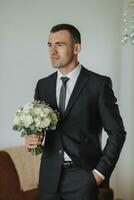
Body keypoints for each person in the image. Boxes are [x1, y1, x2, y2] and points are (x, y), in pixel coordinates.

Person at [25, 24, 126, 200]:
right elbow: (39, 129)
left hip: (83, 178)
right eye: (50, 45)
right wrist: (32, 138)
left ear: (76, 48)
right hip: (49, 178)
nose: (53, 51)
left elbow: (117, 133)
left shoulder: (98, 85)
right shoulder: (43, 85)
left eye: (60, 44)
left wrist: (99, 173)